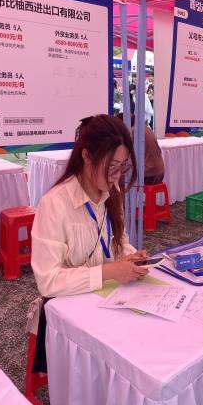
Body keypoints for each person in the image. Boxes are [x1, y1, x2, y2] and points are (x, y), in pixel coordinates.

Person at [31, 115, 149, 297]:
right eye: (111, 166)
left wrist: (130, 258)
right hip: (70, 304)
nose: (117, 175)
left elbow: (119, 243)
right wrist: (107, 272)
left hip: (105, 297)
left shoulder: (112, 192)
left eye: (122, 165)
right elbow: (48, 281)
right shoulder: (54, 204)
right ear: (86, 156)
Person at [123, 113, 165, 185]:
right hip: (160, 172)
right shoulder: (147, 129)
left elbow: (124, 155)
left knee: (119, 178)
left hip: (148, 175)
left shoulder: (132, 132)